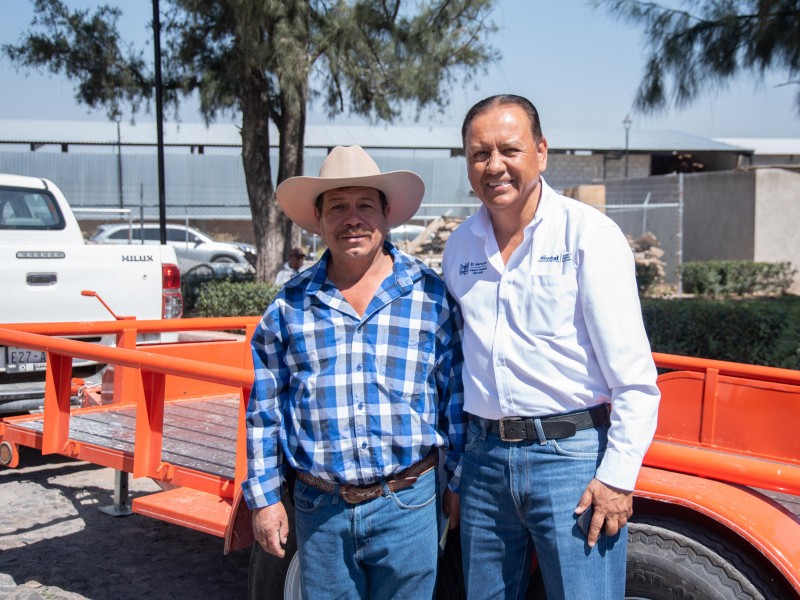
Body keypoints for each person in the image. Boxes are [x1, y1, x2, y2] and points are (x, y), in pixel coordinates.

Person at [442, 95, 661, 599]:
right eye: (479, 154)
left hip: (572, 461)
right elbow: (457, 366)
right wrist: (458, 471)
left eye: (509, 149)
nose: (494, 166)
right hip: (484, 460)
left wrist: (618, 477)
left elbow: (634, 380)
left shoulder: (590, 236)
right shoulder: (459, 248)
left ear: (541, 152)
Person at [242, 145, 465, 600]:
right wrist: (264, 498)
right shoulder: (288, 307)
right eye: (338, 207)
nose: (352, 218)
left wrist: (458, 483)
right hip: (320, 508)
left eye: (365, 204)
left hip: (409, 502)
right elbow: (265, 410)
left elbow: (454, 398)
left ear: (387, 214)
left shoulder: (430, 296)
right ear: (319, 220)